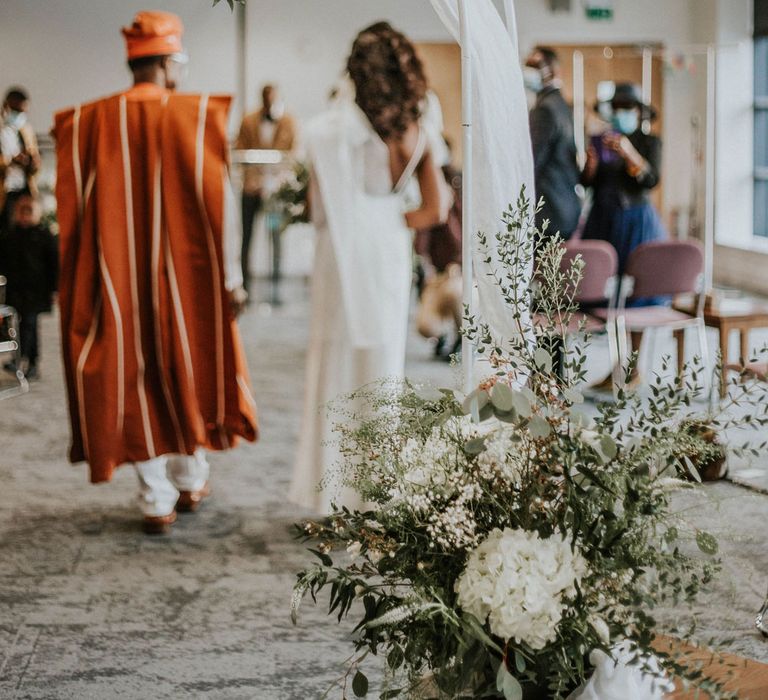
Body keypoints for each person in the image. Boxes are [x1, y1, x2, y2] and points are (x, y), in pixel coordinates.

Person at [53, 11, 258, 534]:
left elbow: (74, 209)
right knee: (191, 365)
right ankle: (191, 479)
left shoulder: (90, 121)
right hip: (186, 279)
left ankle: (155, 498)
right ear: (168, 62)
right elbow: (223, 206)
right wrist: (231, 278)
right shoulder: (194, 117)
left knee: (132, 373)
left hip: (116, 278)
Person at [290, 21, 444, 513]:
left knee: (334, 365)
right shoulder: (418, 133)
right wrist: (390, 218)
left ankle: (331, 496)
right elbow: (435, 211)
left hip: (340, 257)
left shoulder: (331, 134)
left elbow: (318, 213)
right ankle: (379, 495)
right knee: (384, 371)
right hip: (390, 255)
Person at [581, 82, 666, 389]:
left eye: (627, 109)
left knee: (638, 295)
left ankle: (631, 367)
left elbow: (650, 180)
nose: (621, 114)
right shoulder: (602, 140)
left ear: (639, 112)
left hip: (635, 222)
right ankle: (617, 364)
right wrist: (590, 165)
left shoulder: (649, 142)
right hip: (603, 220)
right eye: (616, 109)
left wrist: (629, 153)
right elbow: (588, 183)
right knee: (604, 294)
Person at [235, 84, 298, 293]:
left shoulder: (288, 122)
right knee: (247, 236)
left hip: (277, 190)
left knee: (276, 237)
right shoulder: (248, 121)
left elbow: (293, 154)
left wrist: (277, 182)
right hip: (251, 187)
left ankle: (276, 286)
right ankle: (244, 285)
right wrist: (255, 181)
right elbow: (240, 150)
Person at [523, 47, 581, 240]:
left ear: (554, 71)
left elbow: (531, 161)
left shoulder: (545, 110)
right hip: (564, 209)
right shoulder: (561, 104)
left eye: (535, 66)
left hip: (549, 212)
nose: (529, 71)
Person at [0, 193, 58, 380]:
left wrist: (54, 289)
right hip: (17, 289)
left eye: (29, 212)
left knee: (30, 325)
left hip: (37, 290)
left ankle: (26, 360)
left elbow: (54, 264)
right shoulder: (11, 235)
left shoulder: (43, 235)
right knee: (18, 324)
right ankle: (24, 360)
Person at [0, 87, 41, 232]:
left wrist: (31, 163)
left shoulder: (26, 131)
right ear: (6, 106)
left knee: (24, 235)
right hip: (4, 193)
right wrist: (11, 161)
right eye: (17, 111)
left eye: (23, 112)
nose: (20, 116)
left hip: (24, 190)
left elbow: (36, 165)